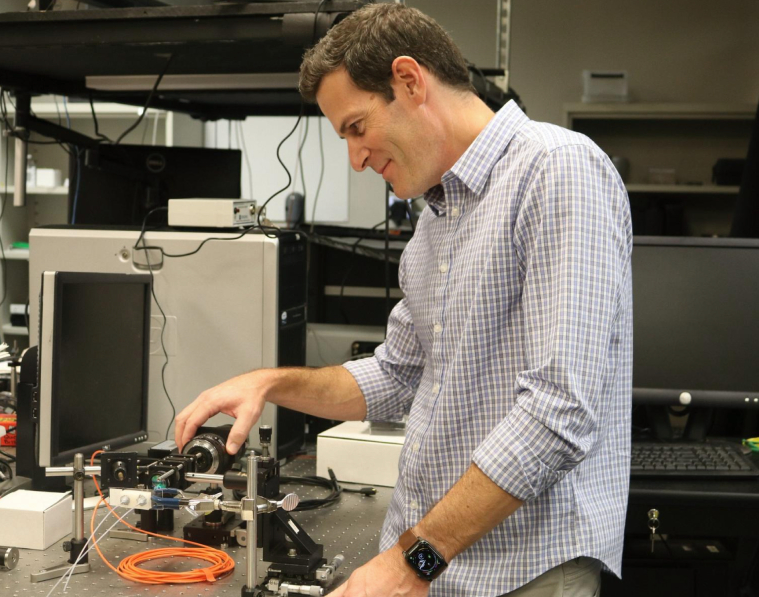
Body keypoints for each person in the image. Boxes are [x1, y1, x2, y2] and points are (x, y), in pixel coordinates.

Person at [175, 4, 632, 596]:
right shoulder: (435, 224)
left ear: (411, 82)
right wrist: (269, 383)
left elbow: (558, 414)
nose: (355, 158)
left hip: (518, 572)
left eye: (356, 128)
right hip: (433, 565)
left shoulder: (556, 171)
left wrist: (407, 563)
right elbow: (396, 375)